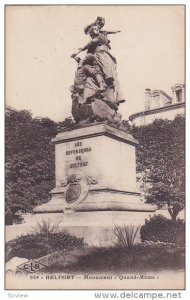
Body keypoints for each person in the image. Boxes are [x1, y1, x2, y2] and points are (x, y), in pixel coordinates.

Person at [71, 18, 125, 105]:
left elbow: (92, 42)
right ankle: (99, 90)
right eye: (94, 29)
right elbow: (89, 45)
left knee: (111, 75)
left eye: (97, 29)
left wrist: (114, 32)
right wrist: (78, 53)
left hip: (104, 56)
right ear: (91, 32)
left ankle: (116, 96)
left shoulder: (101, 36)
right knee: (96, 74)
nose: (96, 30)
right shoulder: (96, 39)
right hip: (98, 57)